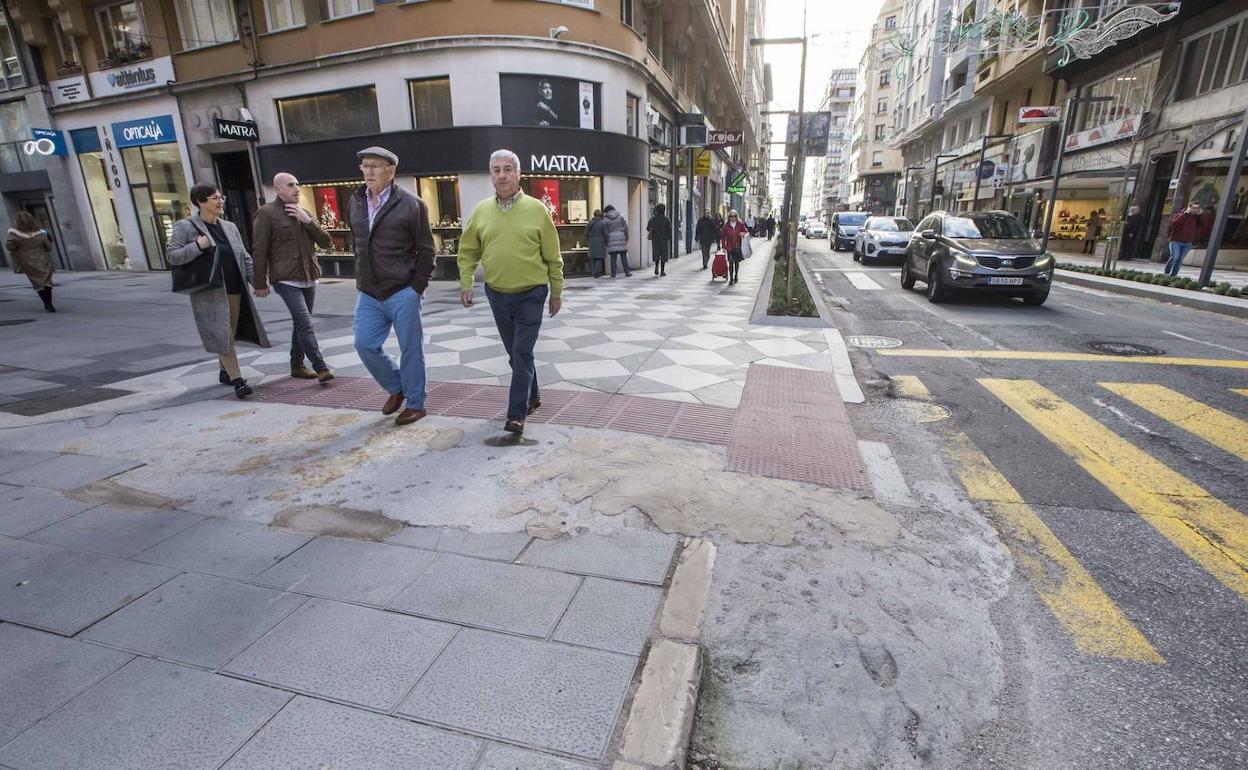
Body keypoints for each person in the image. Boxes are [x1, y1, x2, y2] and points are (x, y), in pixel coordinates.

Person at [458, 149, 564, 436]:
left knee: (520, 350)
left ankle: (516, 413)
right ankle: (534, 395)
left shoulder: (537, 210)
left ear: (518, 174)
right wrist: (466, 283)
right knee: (516, 353)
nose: (502, 175)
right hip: (497, 294)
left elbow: (553, 256)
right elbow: (467, 251)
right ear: (491, 175)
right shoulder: (481, 211)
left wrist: (556, 292)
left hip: (532, 293)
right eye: (496, 170)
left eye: (508, 169)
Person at [348, 146, 436, 426]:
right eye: (365, 166)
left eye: (375, 166)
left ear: (391, 171)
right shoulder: (355, 201)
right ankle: (397, 387)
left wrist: (416, 288)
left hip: (402, 290)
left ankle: (416, 404)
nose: (369, 171)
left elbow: (427, 251)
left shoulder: (412, 204)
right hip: (369, 291)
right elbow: (358, 244)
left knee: (411, 349)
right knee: (364, 344)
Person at [166, 184, 271, 399]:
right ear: (201, 202)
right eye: (215, 198)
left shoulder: (229, 226)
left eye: (221, 197)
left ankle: (224, 371)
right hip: (210, 291)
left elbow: (244, 257)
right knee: (224, 334)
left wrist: (256, 282)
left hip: (235, 288)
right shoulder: (185, 227)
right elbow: (172, 256)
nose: (220, 201)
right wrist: (197, 246)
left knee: (226, 333)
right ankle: (238, 380)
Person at [252, 172, 335, 384]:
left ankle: (297, 365)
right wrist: (260, 283)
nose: (296, 188)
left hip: (308, 276)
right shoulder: (267, 213)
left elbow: (327, 243)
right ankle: (321, 367)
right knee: (305, 323)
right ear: (278, 188)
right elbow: (259, 250)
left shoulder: (304, 212)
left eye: (298, 184)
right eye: (291, 185)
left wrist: (308, 221)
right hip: (286, 279)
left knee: (300, 323)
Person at [6, 211, 55, 312]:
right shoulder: (41, 233)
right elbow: (49, 247)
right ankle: (49, 303)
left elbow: (10, 246)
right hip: (43, 260)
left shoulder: (14, 234)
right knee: (47, 282)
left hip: (27, 261)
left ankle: (46, 303)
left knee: (37, 283)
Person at [1165, 202, 1206, 277]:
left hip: (1187, 242)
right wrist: (1185, 214)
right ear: (1189, 208)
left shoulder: (1197, 218)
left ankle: (1173, 275)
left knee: (1180, 259)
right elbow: (1174, 223)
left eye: (1197, 208)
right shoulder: (1180, 214)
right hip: (1176, 240)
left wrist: (1201, 215)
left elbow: (1203, 224)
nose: (1195, 210)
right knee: (1175, 257)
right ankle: (1167, 272)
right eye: (1193, 208)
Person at [602, 204, 631, 277]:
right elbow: (626, 227)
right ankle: (627, 272)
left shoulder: (605, 219)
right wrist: (627, 237)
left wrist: (606, 240)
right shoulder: (620, 216)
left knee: (613, 257)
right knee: (623, 256)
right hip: (621, 236)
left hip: (611, 237)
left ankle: (613, 274)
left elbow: (605, 231)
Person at [721, 209, 748, 285]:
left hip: (737, 247)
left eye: (735, 216)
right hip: (729, 247)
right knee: (730, 262)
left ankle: (736, 275)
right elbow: (723, 236)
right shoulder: (726, 225)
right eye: (731, 216)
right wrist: (723, 246)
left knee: (736, 262)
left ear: (737, 217)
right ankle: (731, 278)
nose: (733, 218)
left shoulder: (740, 224)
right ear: (729, 217)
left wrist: (743, 233)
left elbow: (746, 232)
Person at [647, 204, 672, 276]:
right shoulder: (666, 219)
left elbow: (648, 228)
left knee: (656, 254)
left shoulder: (653, 219)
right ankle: (662, 271)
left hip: (655, 239)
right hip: (664, 240)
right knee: (663, 255)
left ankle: (656, 267)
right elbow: (669, 230)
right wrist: (669, 238)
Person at [586, 209, 607, 277]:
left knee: (593, 258)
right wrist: (606, 241)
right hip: (600, 242)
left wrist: (589, 238)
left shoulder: (590, 223)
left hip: (591, 241)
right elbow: (606, 234)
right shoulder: (602, 223)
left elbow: (586, 233)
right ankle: (597, 272)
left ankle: (593, 272)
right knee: (599, 258)